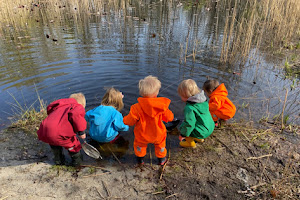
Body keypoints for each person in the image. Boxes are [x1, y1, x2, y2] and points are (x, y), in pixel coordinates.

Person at [123, 75, 174, 165]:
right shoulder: (162, 106)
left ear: (141, 93)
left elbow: (129, 121)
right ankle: (161, 160)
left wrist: (123, 120)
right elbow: (170, 118)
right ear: (156, 92)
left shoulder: (136, 108)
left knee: (140, 145)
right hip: (158, 134)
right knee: (160, 145)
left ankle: (140, 159)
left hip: (142, 135)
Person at [37, 93, 87, 167]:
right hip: (58, 133)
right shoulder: (77, 107)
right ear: (82, 105)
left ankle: (58, 161)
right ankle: (77, 163)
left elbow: (50, 110)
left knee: (54, 145)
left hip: (44, 131)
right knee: (74, 145)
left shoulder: (59, 106)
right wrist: (81, 132)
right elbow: (76, 116)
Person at [177, 79, 215, 148]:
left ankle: (191, 143)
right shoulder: (203, 100)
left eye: (181, 96)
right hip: (210, 127)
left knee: (184, 127)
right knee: (198, 121)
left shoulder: (189, 108)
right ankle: (200, 139)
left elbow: (189, 124)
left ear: (186, 96)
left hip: (202, 132)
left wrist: (182, 134)